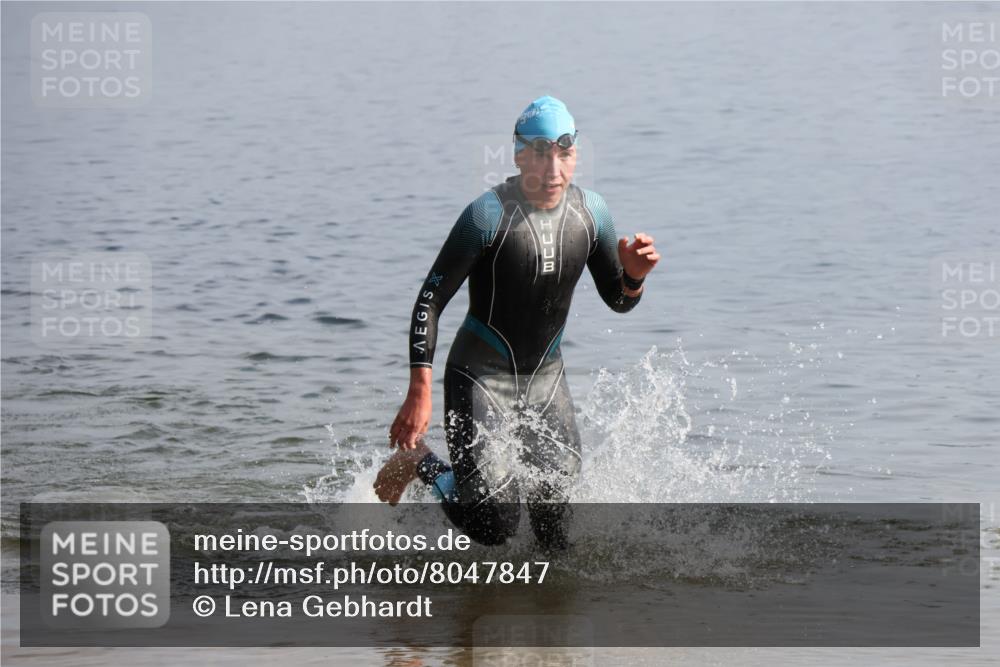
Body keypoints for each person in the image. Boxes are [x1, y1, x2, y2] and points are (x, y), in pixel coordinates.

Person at [374, 95, 659, 549]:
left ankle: (538, 616)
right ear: (518, 155)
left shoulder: (592, 214)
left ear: (576, 154)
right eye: (541, 153)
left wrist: (633, 279)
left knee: (555, 532)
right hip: (480, 375)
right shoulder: (487, 215)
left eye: (563, 153)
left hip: (546, 379)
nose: (552, 169)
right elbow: (430, 300)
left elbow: (618, 302)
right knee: (494, 525)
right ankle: (420, 464)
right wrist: (419, 392)